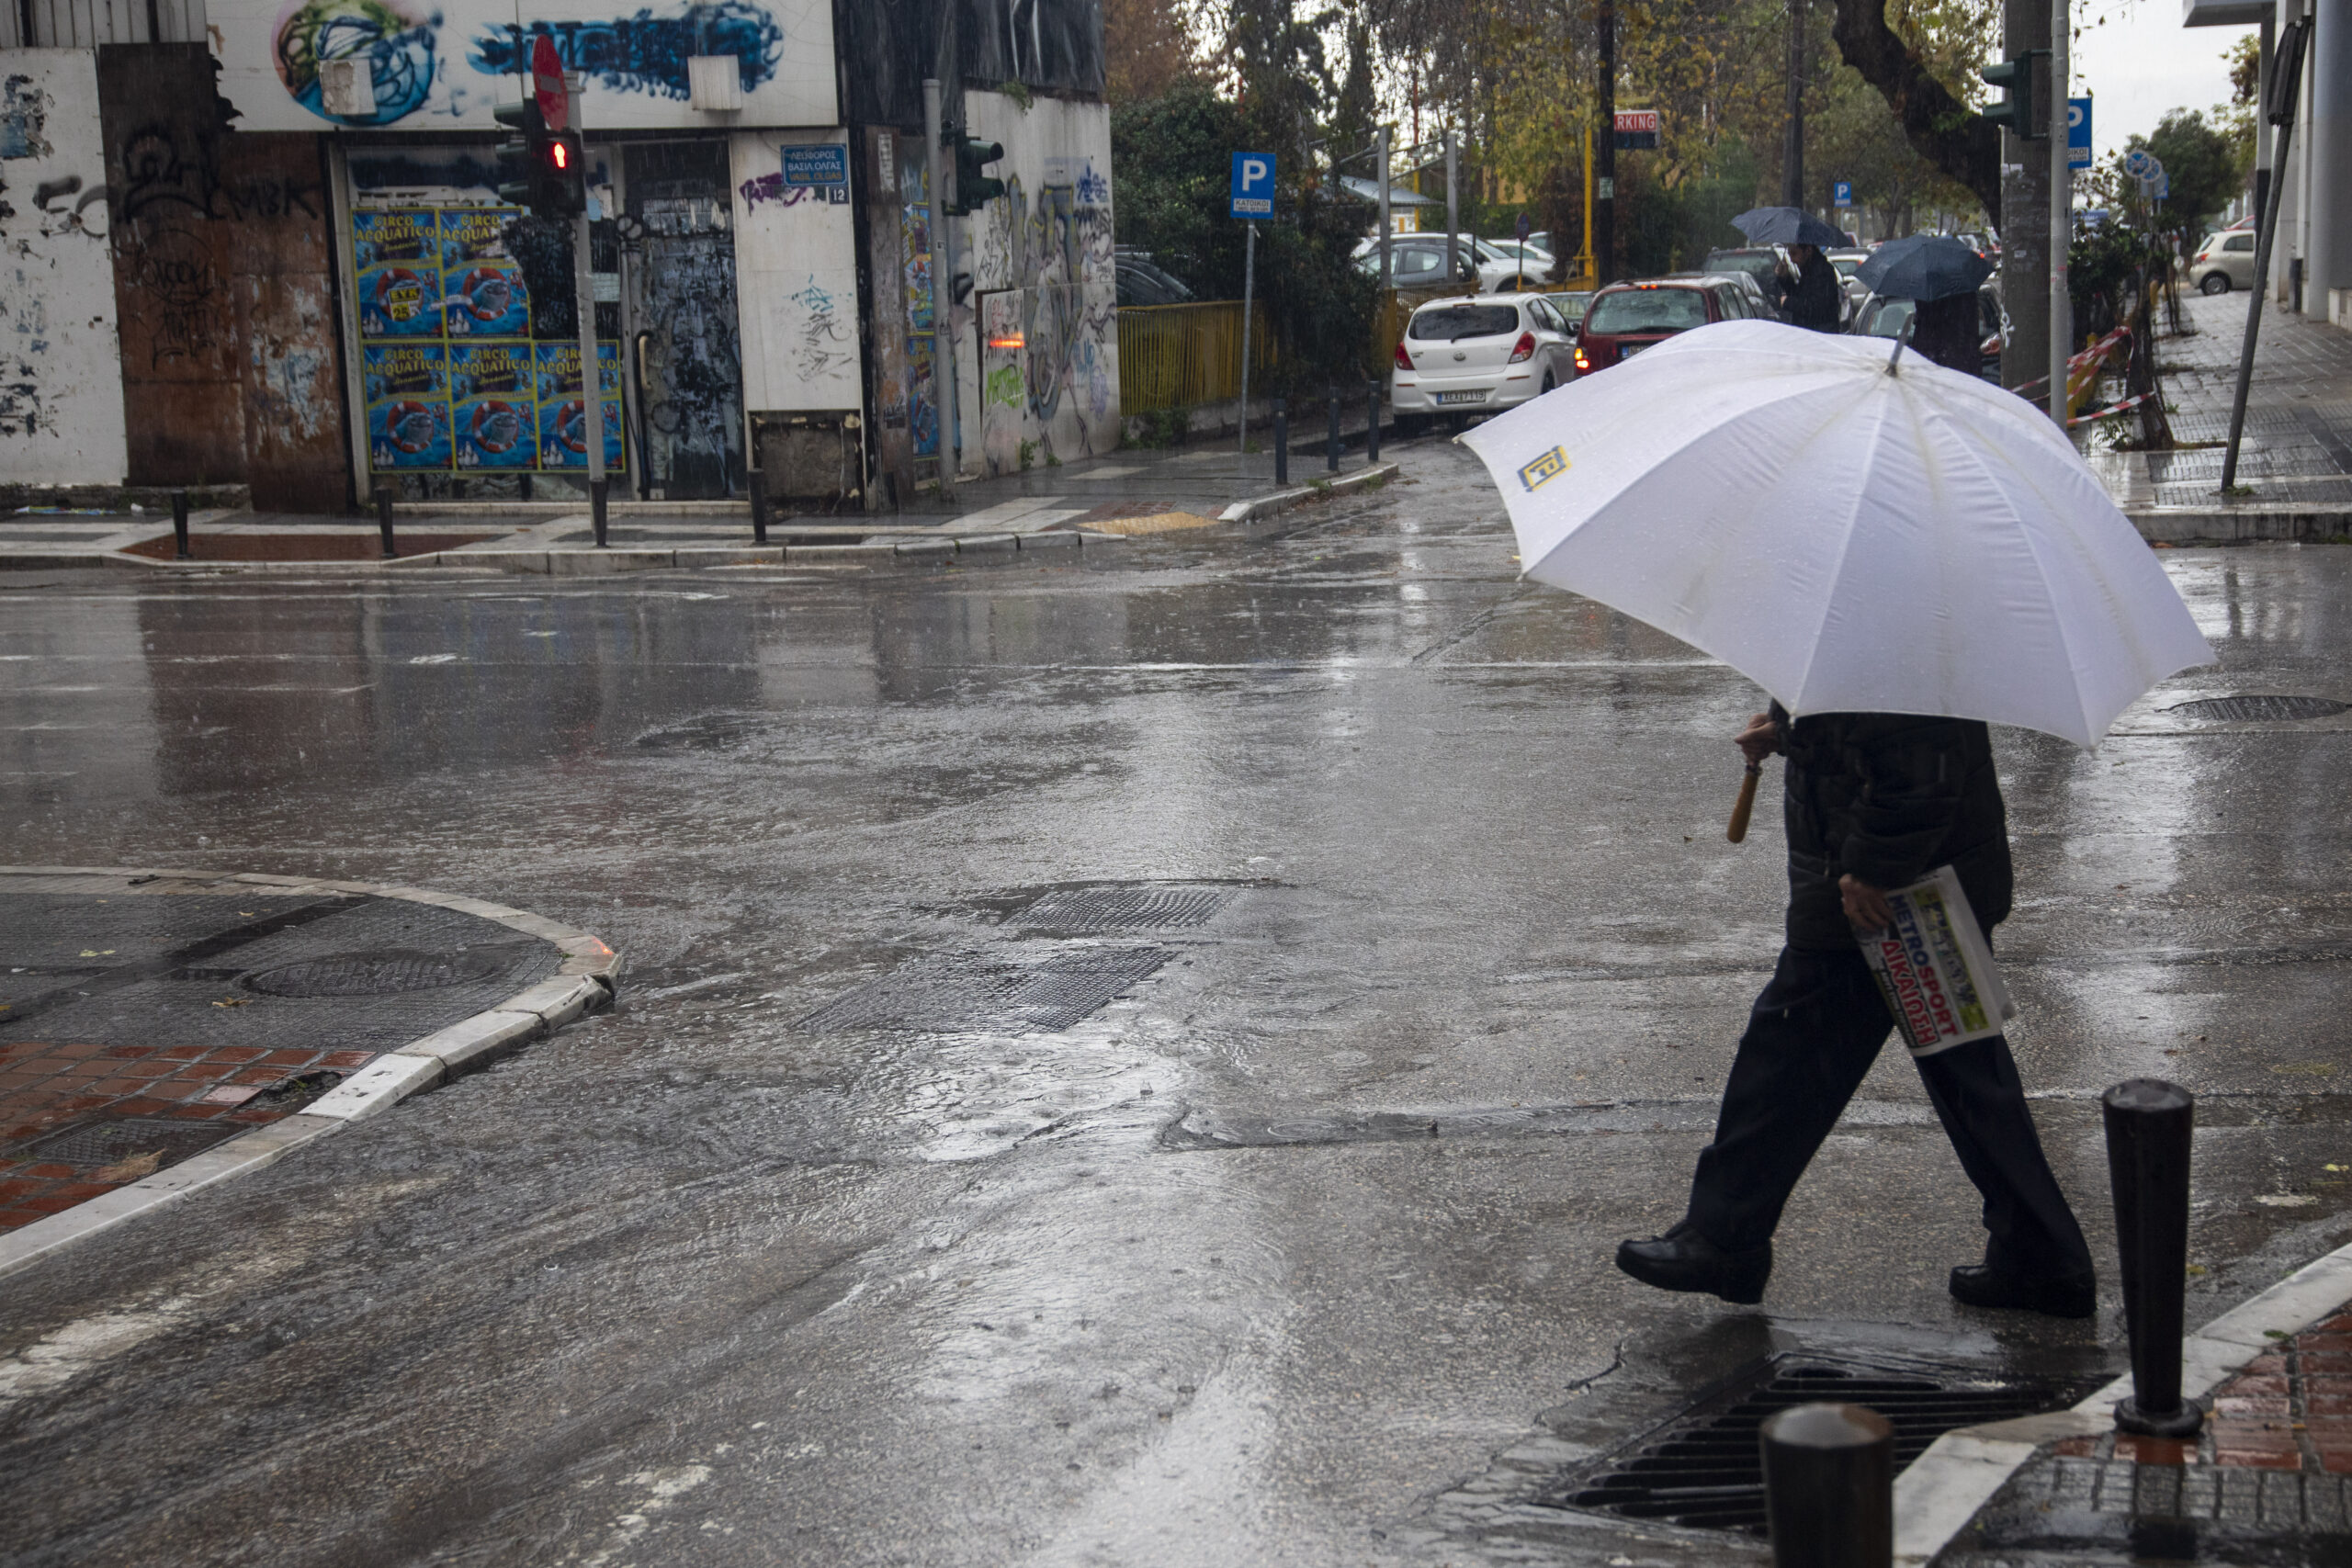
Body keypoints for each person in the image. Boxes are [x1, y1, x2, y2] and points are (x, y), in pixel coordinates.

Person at [1615, 703, 2098, 1317]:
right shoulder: (1882, 631)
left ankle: (1724, 1235)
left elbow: (1922, 758)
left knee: (1788, 1053)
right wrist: (1789, 729)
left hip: (1886, 897)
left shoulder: (1895, 636)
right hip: (1912, 888)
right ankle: (2042, 1256)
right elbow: (1867, 731)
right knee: (1965, 1072)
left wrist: (1873, 865)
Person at [1772, 243, 1844, 333]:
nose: (1792, 260)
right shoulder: (1809, 270)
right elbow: (1799, 295)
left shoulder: (1821, 272)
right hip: (1812, 332)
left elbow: (1815, 308)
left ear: (1808, 251)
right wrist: (1785, 277)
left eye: (1794, 254)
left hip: (1820, 335)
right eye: (1789, 255)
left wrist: (1788, 302)